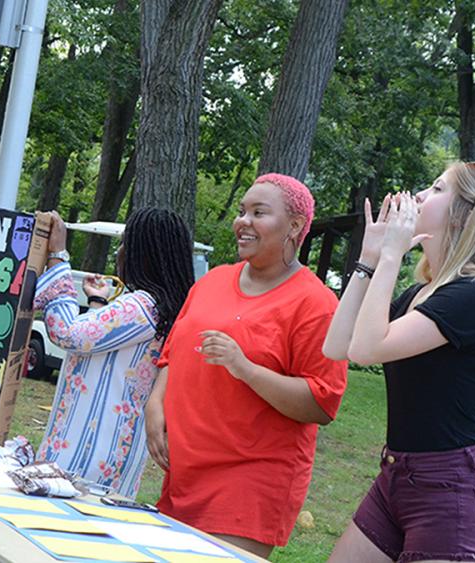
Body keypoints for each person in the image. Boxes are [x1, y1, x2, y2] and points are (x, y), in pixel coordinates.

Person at [145, 173, 348, 559]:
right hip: (185, 472)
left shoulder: (315, 303)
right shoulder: (213, 281)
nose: (243, 221)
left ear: (294, 227)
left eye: (259, 212)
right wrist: (155, 404)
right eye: (241, 211)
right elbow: (174, 352)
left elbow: (321, 403)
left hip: (249, 481)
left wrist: (246, 368)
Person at [324, 161, 475, 563]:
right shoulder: (422, 292)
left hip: (448, 493)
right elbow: (339, 345)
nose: (418, 196)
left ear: (465, 215)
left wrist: (392, 256)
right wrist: (370, 257)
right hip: (396, 477)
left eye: (436, 188)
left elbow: (366, 349)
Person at [36, 207, 194, 498]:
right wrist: (96, 302)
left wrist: (59, 258)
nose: (119, 251)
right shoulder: (163, 308)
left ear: (141, 253)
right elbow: (97, 344)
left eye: (125, 243)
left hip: (88, 450)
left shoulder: (142, 306)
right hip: (114, 448)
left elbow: (68, 333)